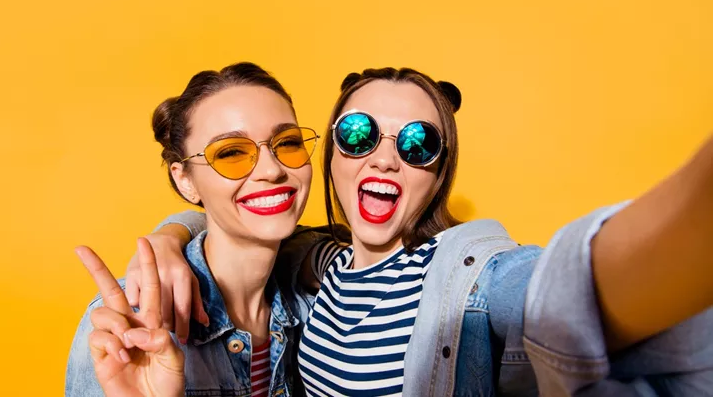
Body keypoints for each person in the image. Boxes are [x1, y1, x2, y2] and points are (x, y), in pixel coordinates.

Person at [126, 67, 713, 396]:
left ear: (437, 176)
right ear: (330, 153)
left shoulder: (469, 282)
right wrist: (170, 238)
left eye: (417, 144)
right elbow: (235, 219)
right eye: (358, 134)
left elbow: (562, 285)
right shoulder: (313, 266)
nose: (384, 159)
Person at [66, 62, 329, 396]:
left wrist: (172, 232)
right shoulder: (133, 324)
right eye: (231, 152)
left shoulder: (317, 303)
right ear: (185, 180)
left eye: (288, 142)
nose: (271, 169)